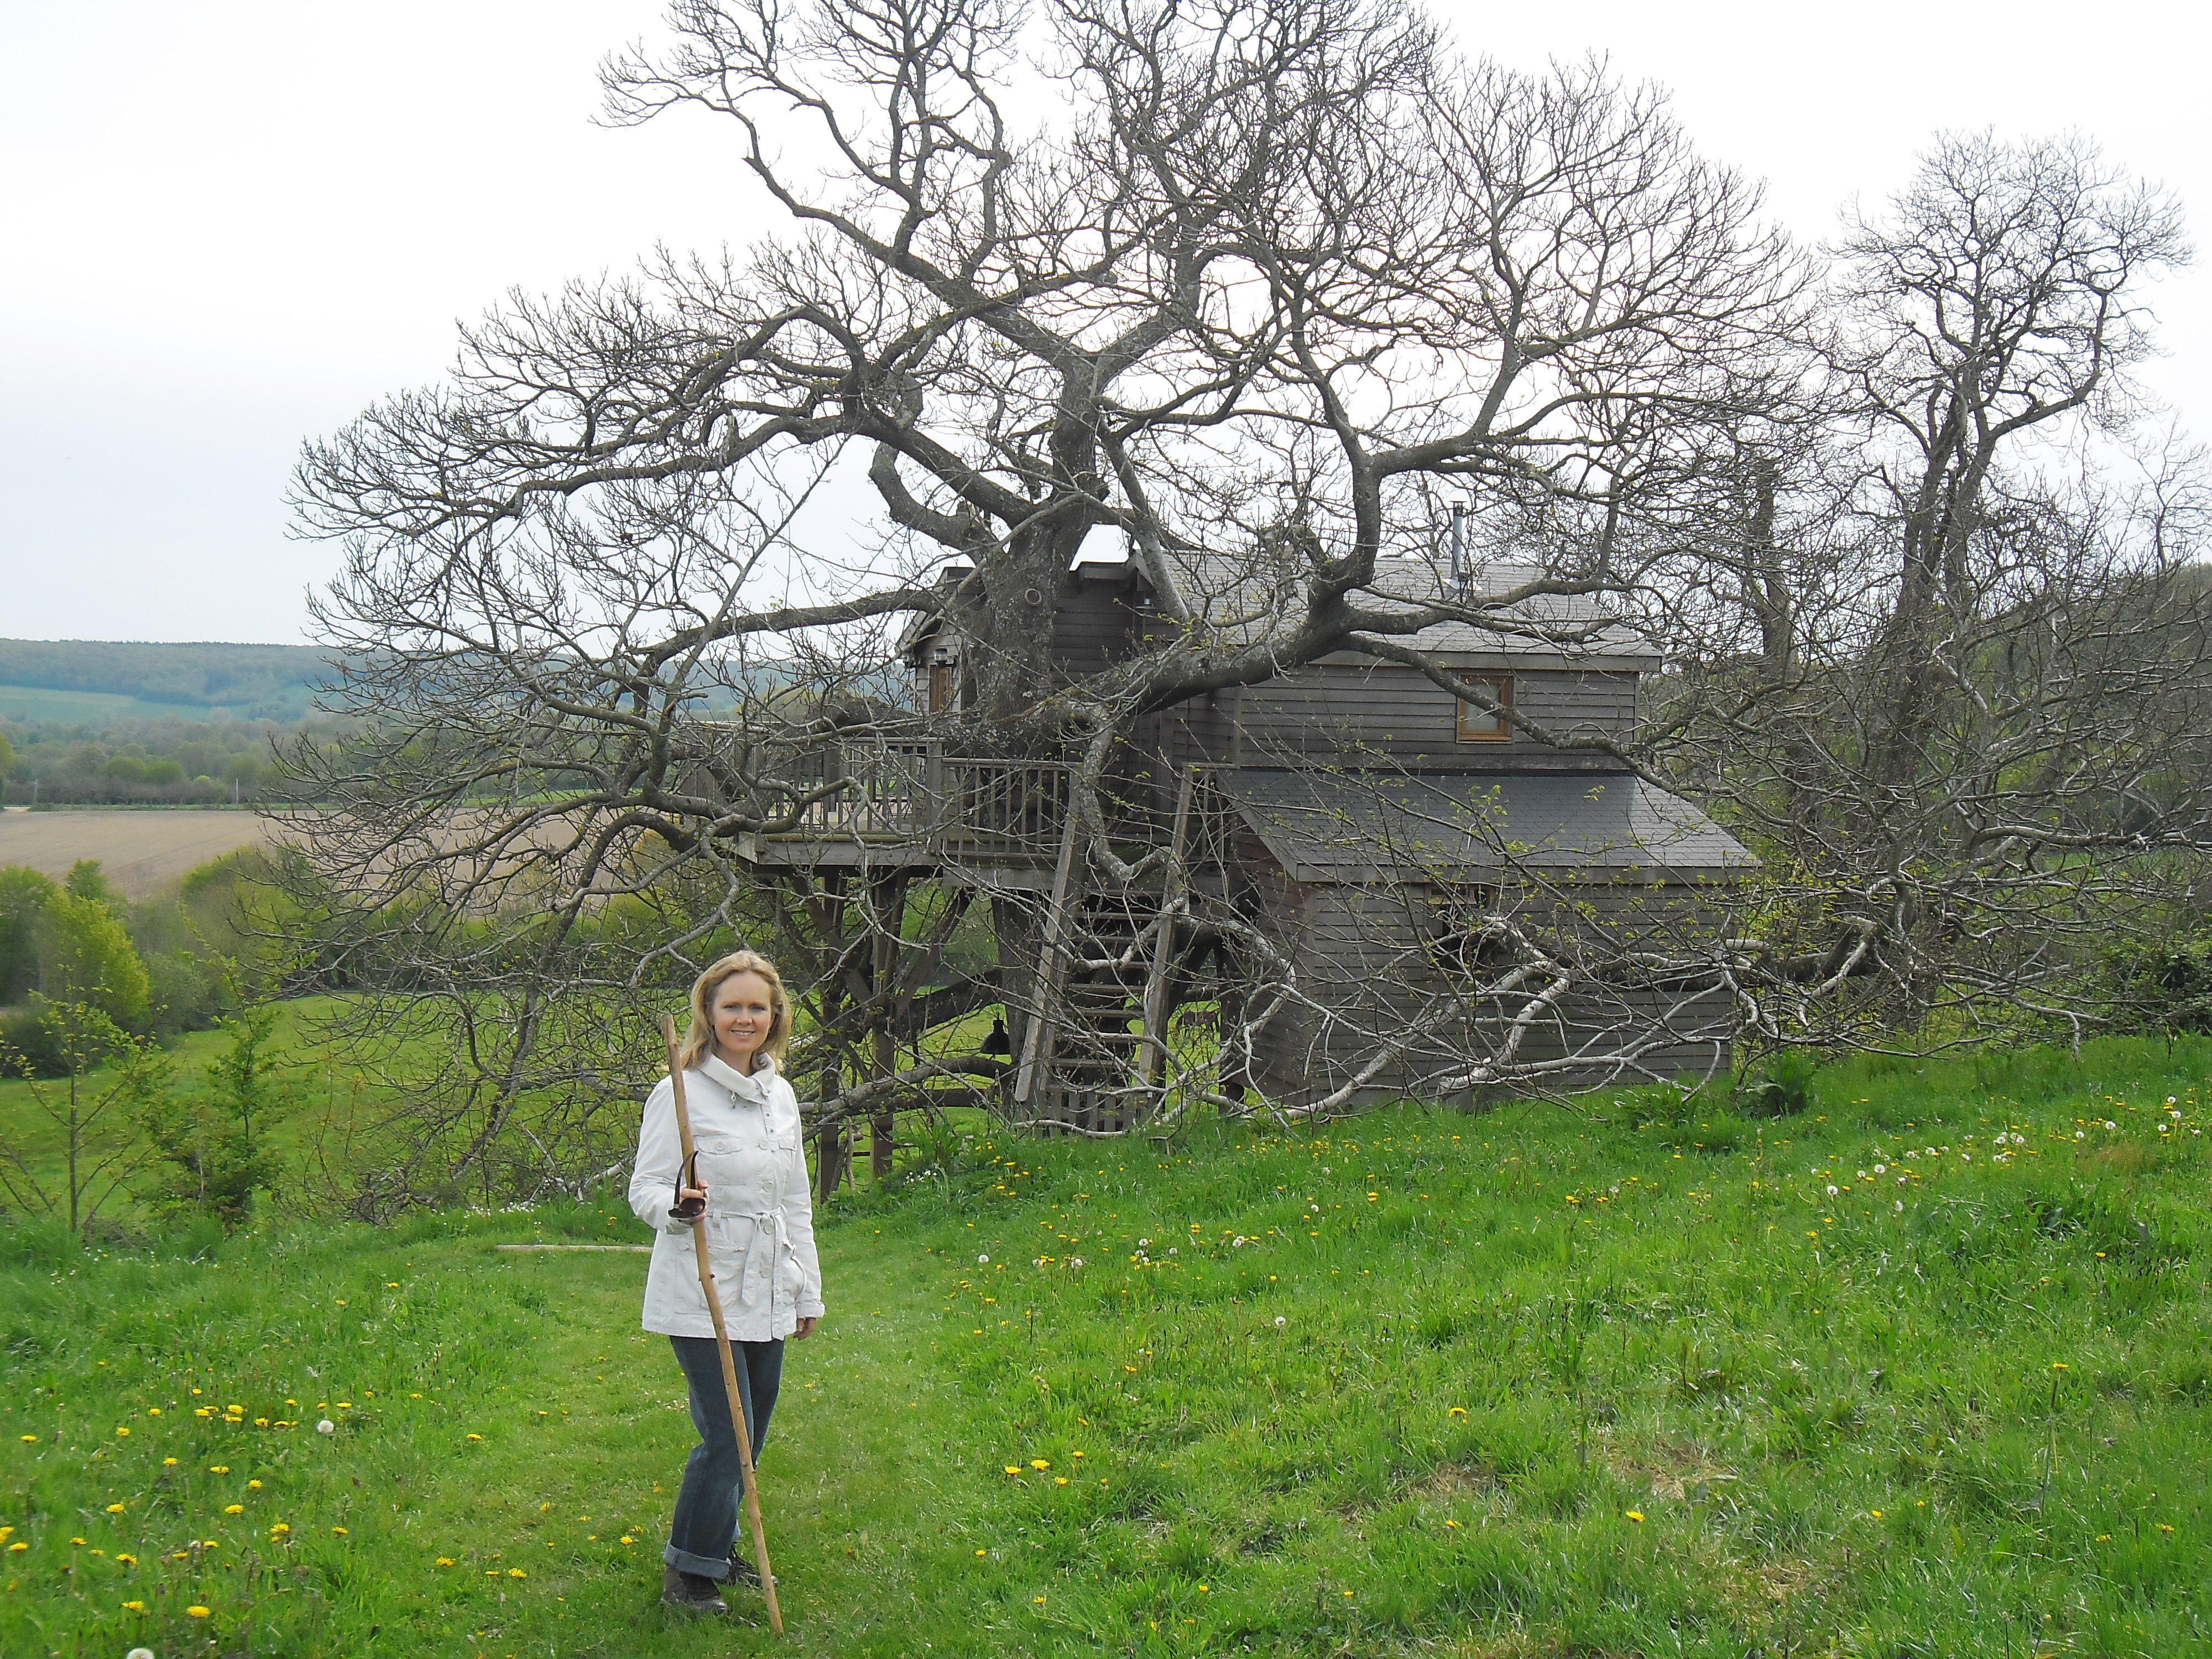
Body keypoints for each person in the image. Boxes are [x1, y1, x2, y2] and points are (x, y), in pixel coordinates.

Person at [628, 951, 824, 1614]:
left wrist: (806, 1290)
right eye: (732, 1006)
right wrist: (677, 1206)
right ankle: (688, 1573)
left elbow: (794, 1202)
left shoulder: (781, 1096)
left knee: (752, 1434)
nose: (745, 1018)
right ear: (708, 1014)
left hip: (768, 1286)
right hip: (701, 1287)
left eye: (757, 1007)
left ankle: (718, 1544)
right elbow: (645, 1188)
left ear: (775, 1017)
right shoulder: (679, 1092)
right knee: (726, 1435)